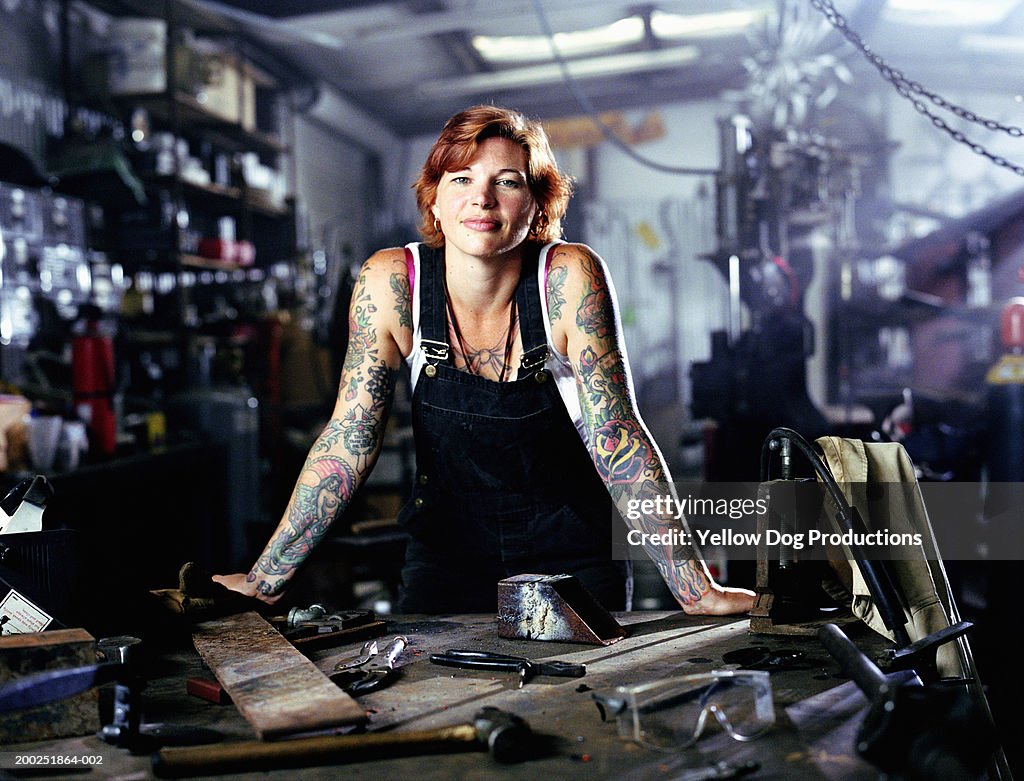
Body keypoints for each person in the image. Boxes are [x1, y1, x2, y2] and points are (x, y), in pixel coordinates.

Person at [214, 105, 754, 616]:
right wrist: (266, 579)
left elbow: (618, 437)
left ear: (539, 202)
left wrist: (694, 589)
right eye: (462, 179)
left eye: (507, 181)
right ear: (434, 201)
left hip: (574, 559)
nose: (483, 199)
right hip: (446, 558)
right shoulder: (390, 282)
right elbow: (351, 437)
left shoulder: (568, 278)